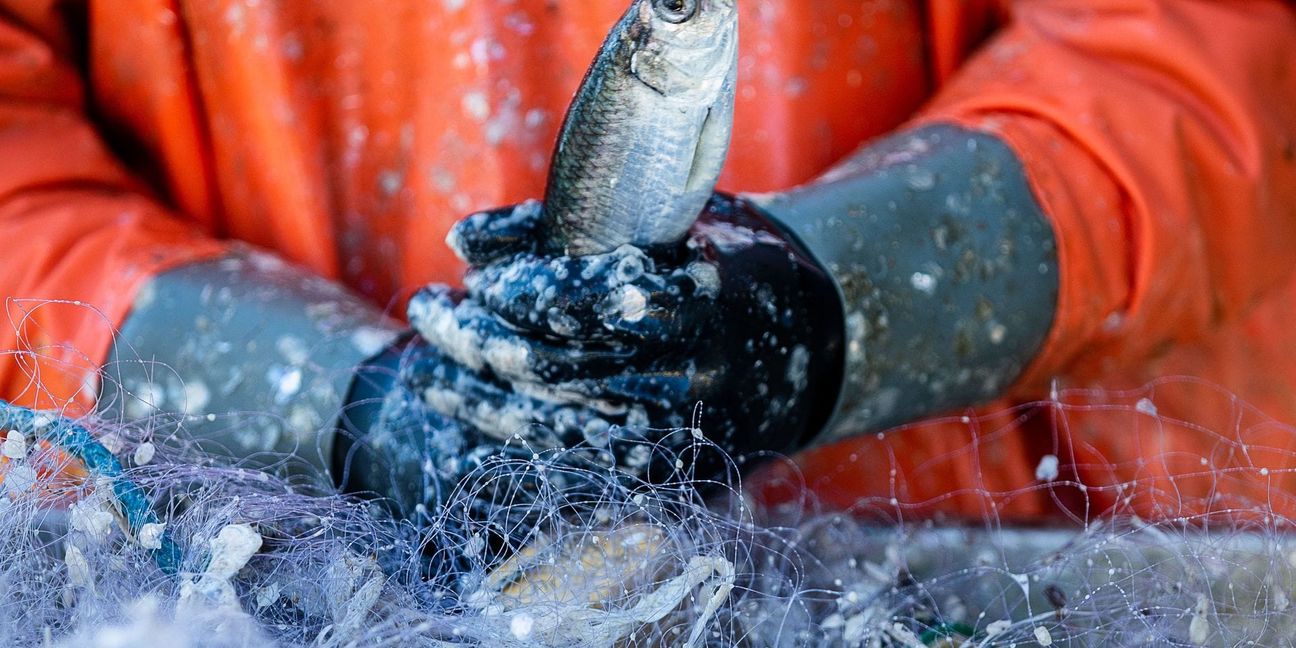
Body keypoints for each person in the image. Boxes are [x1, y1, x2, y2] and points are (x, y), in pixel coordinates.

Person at [1, 0, 1294, 529]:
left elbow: (1197, 62)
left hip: (998, 545)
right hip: (250, 561)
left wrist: (826, 298)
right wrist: (338, 403)